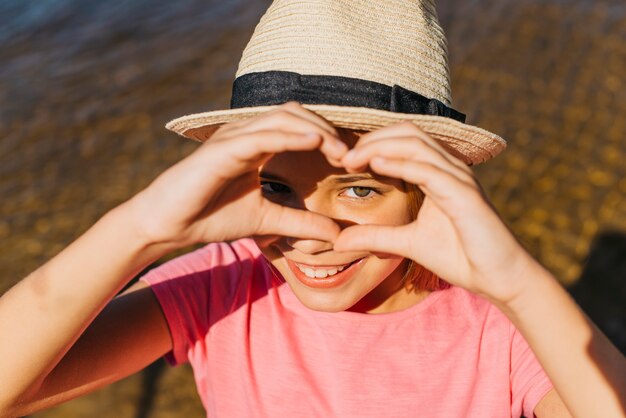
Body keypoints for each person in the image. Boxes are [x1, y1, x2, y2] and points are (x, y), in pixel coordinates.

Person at [1, 1, 625, 417]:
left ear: (426, 190)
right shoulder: (219, 285)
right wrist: (141, 229)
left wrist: (518, 283)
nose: (311, 236)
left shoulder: (502, 328)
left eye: (359, 190)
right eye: (276, 188)